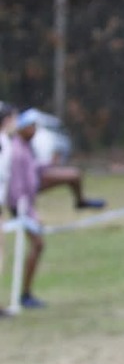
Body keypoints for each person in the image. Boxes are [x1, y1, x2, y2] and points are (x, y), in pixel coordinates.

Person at [4, 108, 48, 309]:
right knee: (37, 244)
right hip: (20, 207)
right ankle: (25, 294)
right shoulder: (15, 150)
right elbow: (15, 187)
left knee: (37, 245)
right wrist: (28, 213)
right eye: (31, 126)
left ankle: (25, 293)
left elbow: (32, 175)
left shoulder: (24, 147)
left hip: (25, 206)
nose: (34, 130)